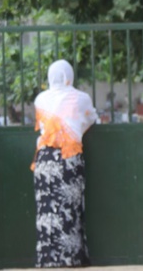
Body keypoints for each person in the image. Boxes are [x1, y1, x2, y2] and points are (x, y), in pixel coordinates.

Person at [32, 60, 98, 267]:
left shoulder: (40, 99)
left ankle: (48, 260)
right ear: (69, 76)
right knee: (70, 208)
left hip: (44, 161)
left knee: (46, 212)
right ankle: (70, 260)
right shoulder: (81, 98)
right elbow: (90, 119)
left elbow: (43, 125)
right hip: (68, 159)